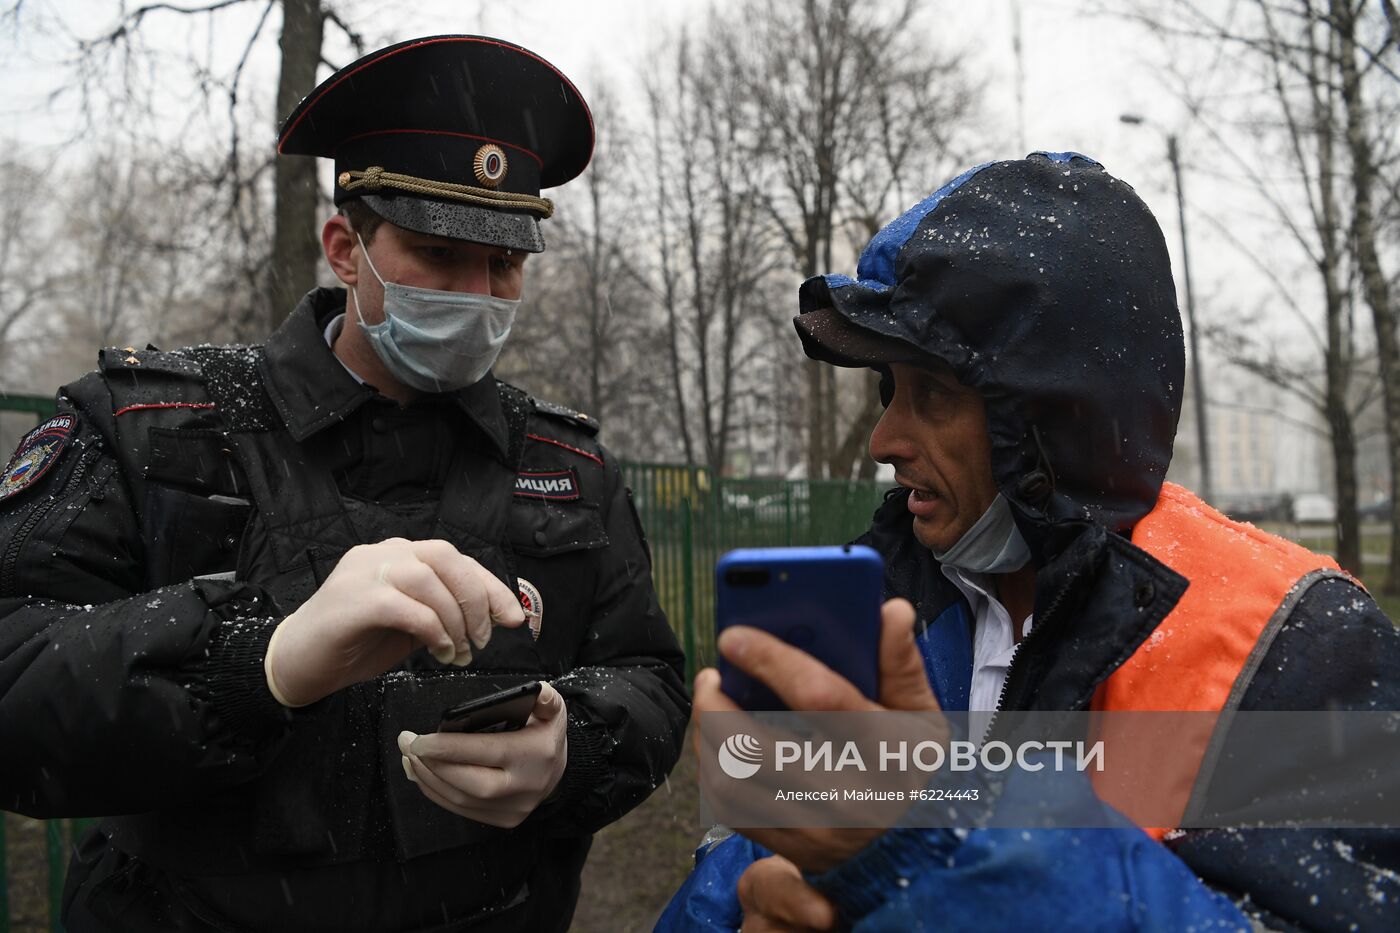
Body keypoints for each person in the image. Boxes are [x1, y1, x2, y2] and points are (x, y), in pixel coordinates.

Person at [0, 35, 689, 933]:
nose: (478, 294)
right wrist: (257, 662)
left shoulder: (569, 467)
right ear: (345, 248)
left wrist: (578, 745)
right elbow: (14, 666)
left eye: (505, 264)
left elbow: (650, 677)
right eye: (439, 253)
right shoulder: (152, 429)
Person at [658, 152, 1400, 931]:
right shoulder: (874, 608)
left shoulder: (1296, 644)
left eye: (933, 393)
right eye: (889, 390)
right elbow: (728, 877)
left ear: (1055, 421)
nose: (883, 440)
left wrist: (936, 852)